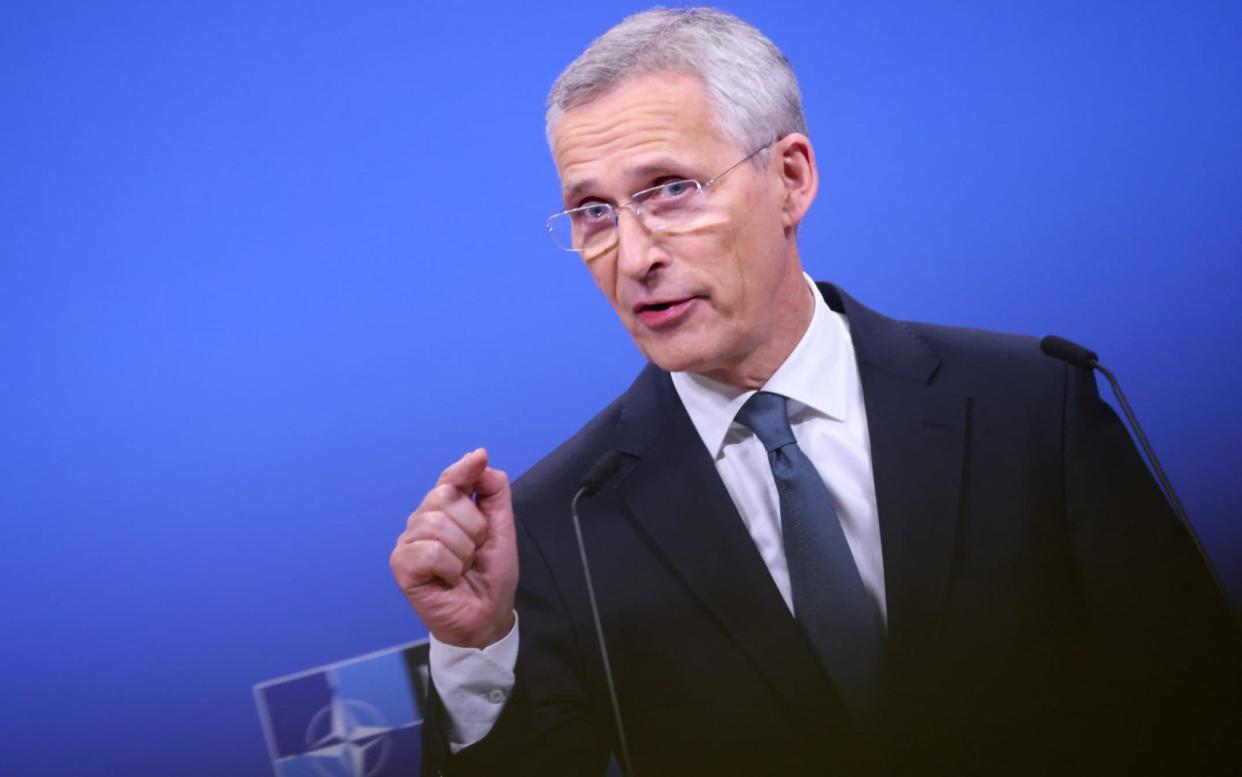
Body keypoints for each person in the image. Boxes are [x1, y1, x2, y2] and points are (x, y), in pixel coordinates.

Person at [389, 8, 1238, 775]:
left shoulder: (1031, 404)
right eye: (595, 213)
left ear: (791, 178)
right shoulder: (555, 521)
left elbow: (1197, 710)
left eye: (670, 191)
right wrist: (477, 652)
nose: (634, 253)